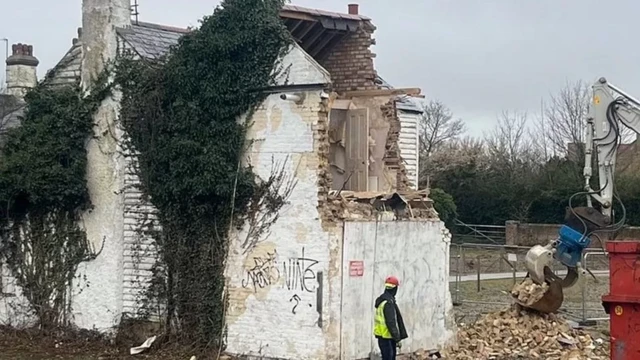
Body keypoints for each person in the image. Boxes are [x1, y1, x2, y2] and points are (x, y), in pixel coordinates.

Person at [373, 275, 408, 360]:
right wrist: (397, 339)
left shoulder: (382, 300)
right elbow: (391, 322)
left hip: (382, 336)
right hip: (387, 337)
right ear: (395, 289)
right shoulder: (388, 303)